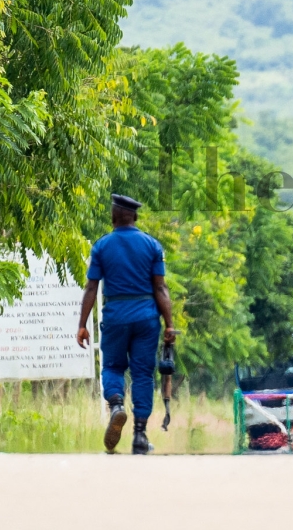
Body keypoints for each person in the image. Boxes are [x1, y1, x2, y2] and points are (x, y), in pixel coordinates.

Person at [77, 194, 177, 454]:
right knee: (143, 374)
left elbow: (91, 287)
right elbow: (160, 287)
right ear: (135, 216)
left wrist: (82, 324)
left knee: (112, 366)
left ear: (113, 216)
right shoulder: (152, 245)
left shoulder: (101, 246)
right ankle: (140, 436)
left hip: (115, 316)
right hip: (146, 317)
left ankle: (117, 404)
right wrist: (169, 324)